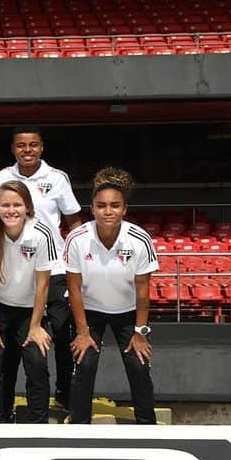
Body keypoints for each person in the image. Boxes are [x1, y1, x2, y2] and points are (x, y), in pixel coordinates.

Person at [0, 127, 82, 417]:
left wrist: (75, 262)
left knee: (59, 339)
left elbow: (74, 221)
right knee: (15, 347)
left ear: (42, 147)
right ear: (13, 149)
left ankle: (64, 395)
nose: (27, 150)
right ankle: (4, 409)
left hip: (51, 271)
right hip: (13, 270)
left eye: (32, 145)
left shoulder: (57, 178)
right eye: (21, 146)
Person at [64, 167, 158, 424]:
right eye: (101, 205)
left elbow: (143, 290)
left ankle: (146, 425)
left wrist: (140, 333)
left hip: (128, 311)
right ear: (92, 208)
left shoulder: (139, 239)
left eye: (115, 206)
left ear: (124, 209)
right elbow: (73, 288)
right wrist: (83, 333)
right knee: (85, 363)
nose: (108, 211)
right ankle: (79, 424)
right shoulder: (77, 239)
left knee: (139, 364)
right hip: (90, 311)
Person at [0, 181, 56, 423]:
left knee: (36, 360)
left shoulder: (41, 233)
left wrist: (36, 326)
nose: (11, 210)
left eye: (17, 204)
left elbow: (43, 285)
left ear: (27, 207)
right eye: (5, 205)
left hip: (30, 309)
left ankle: (38, 424)